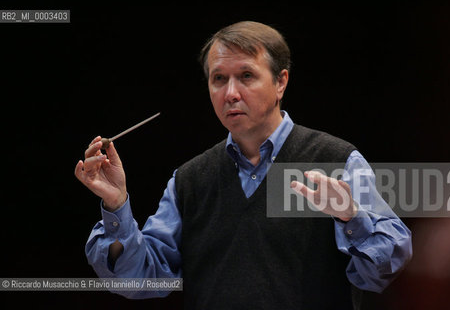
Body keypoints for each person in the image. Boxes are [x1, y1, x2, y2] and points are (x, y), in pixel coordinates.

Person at [75, 21, 412, 309]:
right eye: (219, 79)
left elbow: (385, 270)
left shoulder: (337, 161)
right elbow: (142, 281)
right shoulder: (190, 180)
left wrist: (350, 216)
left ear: (281, 82)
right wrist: (117, 205)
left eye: (247, 75)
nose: (231, 93)